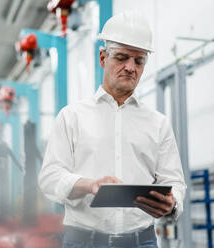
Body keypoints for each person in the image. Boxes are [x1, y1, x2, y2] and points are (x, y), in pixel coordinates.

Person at [38, 11, 186, 248]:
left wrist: (172, 203)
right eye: (122, 57)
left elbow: (175, 182)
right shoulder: (72, 117)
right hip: (84, 241)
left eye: (139, 61)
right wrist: (90, 185)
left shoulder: (158, 124)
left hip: (142, 241)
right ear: (102, 58)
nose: (130, 67)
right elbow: (50, 178)